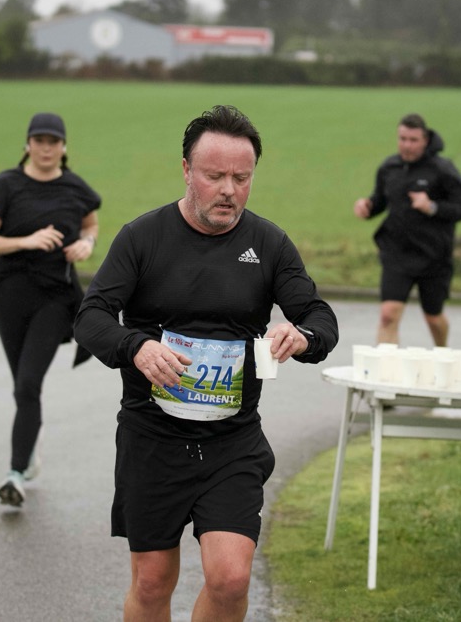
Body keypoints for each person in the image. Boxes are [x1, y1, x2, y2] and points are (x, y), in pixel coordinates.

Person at [74, 104, 338, 622]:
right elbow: (91, 317)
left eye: (242, 178)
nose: (229, 190)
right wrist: (137, 347)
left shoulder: (268, 244)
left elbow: (318, 317)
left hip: (231, 439)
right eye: (215, 176)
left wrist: (302, 336)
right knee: (152, 582)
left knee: (231, 578)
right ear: (186, 170)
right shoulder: (143, 238)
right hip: (152, 437)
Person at [0, 112, 101, 509]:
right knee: (22, 387)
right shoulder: (7, 184)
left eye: (53, 141)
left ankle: (15, 475)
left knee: (28, 384)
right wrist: (27, 241)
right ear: (27, 145)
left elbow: (91, 225)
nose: (46, 148)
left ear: (64, 147)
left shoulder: (75, 188)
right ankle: (31, 442)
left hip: (55, 298)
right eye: (39, 141)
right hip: (10, 295)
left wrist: (87, 244)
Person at [353, 112, 461, 347]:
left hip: (433, 256)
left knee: (433, 318)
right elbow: (380, 200)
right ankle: (386, 367)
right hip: (397, 254)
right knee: (388, 315)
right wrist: (368, 206)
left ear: (425, 140)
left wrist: (432, 207)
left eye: (413, 140)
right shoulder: (389, 167)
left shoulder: (442, 169)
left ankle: (442, 352)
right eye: (403, 139)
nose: (407, 145)